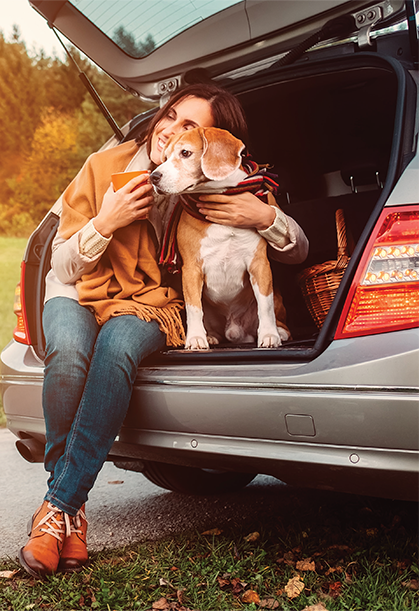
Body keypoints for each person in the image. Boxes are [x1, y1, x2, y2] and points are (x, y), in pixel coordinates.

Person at [18, 82, 309, 577]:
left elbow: (298, 251)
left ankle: (57, 511)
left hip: (154, 304)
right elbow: (62, 267)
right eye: (170, 115)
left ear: (212, 142)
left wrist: (264, 215)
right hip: (78, 290)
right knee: (68, 353)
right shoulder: (102, 168)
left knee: (116, 350)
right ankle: (68, 509)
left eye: (189, 126)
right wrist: (104, 222)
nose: (170, 130)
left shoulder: (216, 188)